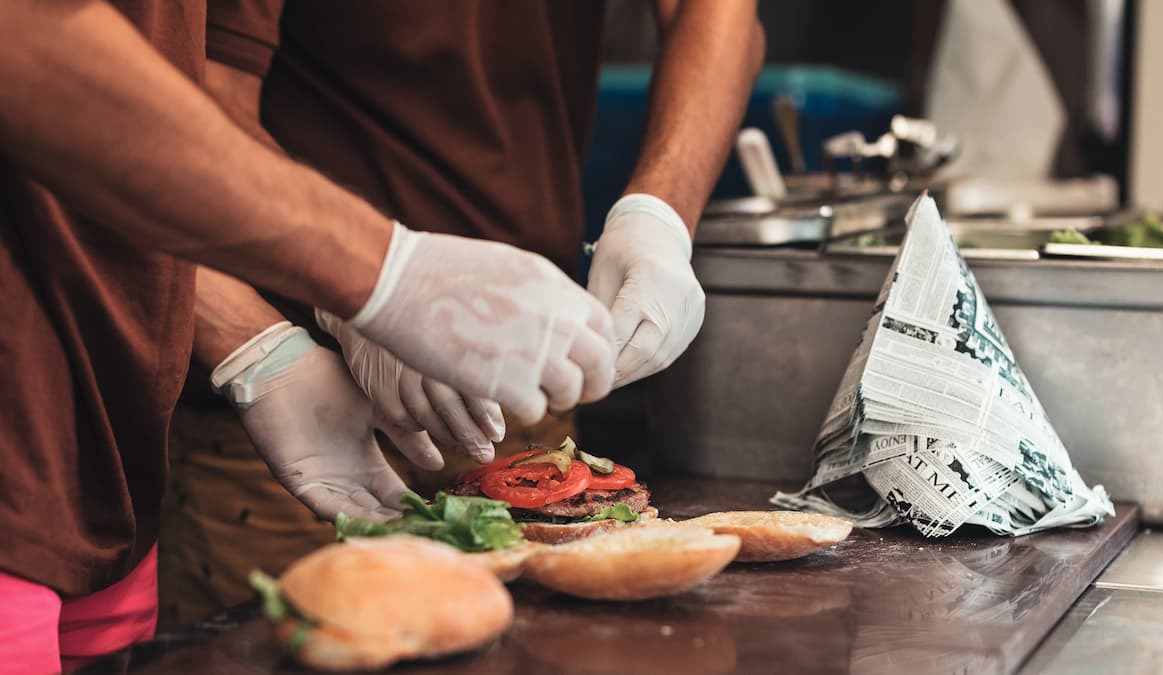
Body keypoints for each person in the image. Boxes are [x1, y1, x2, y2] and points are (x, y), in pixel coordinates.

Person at [0, 1, 616, 671]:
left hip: (103, 475)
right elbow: (27, 40)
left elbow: (112, 150)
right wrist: (377, 271)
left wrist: (257, 348)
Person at [158, 0, 765, 627]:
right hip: (302, 413)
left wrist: (659, 215)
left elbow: (718, 14)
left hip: (528, 404)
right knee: (293, 642)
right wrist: (330, 309)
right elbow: (178, 116)